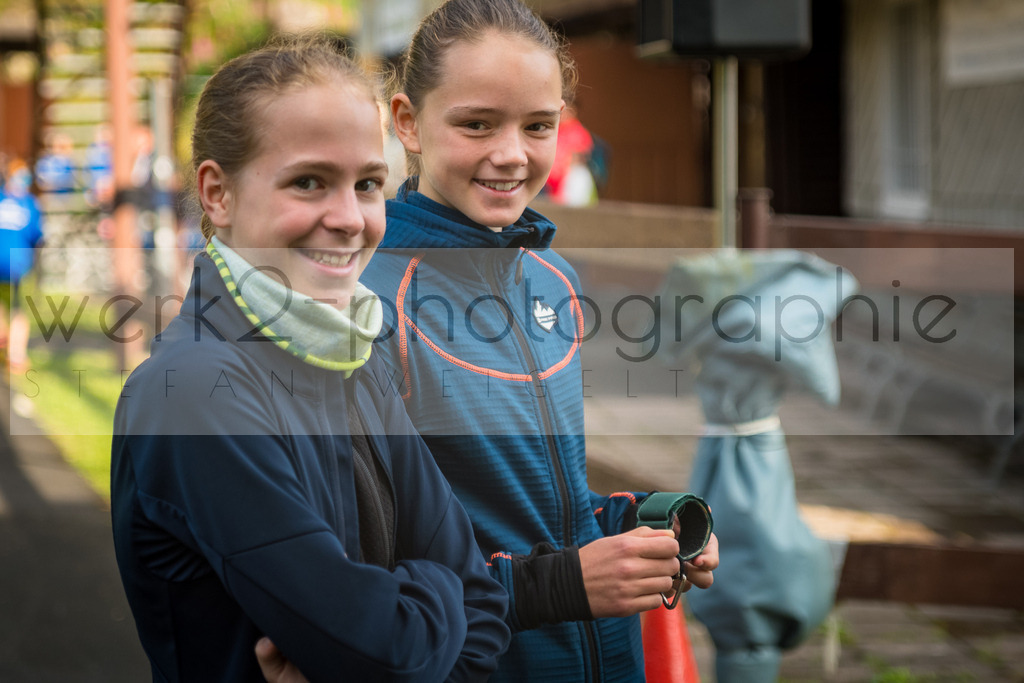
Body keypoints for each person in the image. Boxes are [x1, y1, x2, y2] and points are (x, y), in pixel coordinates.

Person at [110, 33, 510, 683]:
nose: (351, 218)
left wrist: (405, 621)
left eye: (369, 183)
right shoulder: (187, 392)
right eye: (309, 181)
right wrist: (433, 595)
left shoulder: (354, 351)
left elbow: (483, 609)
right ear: (217, 194)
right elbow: (388, 648)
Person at [363, 1, 718, 680]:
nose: (510, 154)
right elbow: (369, 570)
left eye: (537, 126)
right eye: (476, 124)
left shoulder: (553, 279)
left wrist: (646, 524)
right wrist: (564, 586)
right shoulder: (368, 302)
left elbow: (552, 503)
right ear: (407, 121)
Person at [0, 159, 44, 374]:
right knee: (19, 309)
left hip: (8, 261)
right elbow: (36, 235)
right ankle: (16, 354)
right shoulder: (28, 203)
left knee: (6, 306)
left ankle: (6, 343)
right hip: (19, 263)